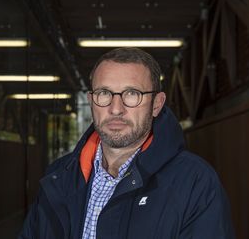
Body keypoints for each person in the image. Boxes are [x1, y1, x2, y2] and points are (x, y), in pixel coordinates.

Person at [19, 47, 235, 239]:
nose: (116, 108)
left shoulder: (195, 182)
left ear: (157, 104)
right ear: (91, 101)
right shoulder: (59, 177)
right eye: (104, 93)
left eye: (132, 94)